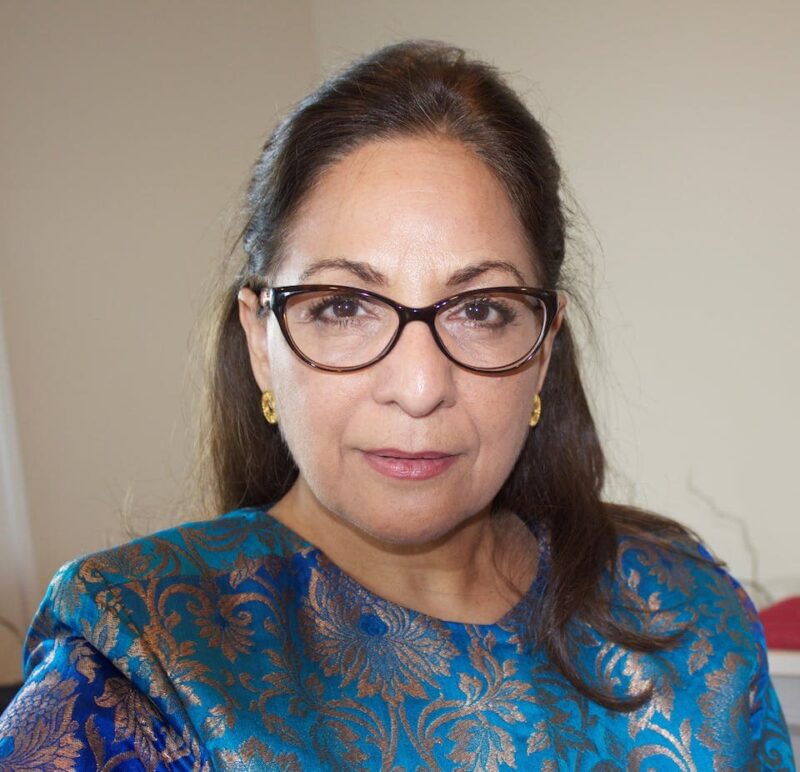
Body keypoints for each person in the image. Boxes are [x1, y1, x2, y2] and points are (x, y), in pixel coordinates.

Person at [0, 40, 793, 771]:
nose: (418, 387)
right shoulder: (143, 656)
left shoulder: (687, 611)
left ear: (542, 347)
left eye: (480, 310)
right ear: (259, 341)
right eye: (344, 306)